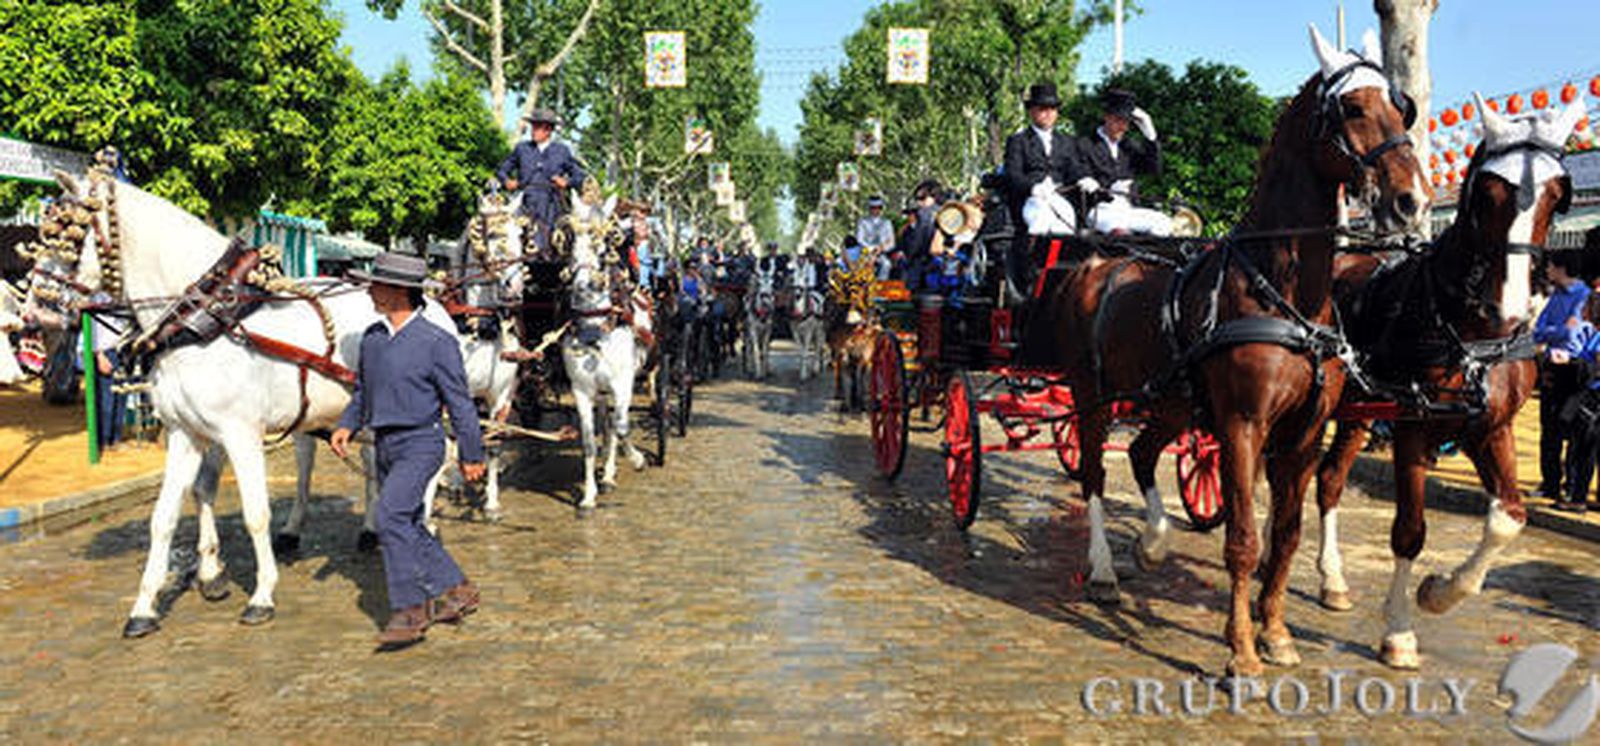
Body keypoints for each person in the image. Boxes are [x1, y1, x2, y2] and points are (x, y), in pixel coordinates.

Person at [330, 253, 487, 648]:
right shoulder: (373, 339)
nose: (368, 289)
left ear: (399, 290)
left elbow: (461, 403)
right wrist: (347, 424)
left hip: (422, 442)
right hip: (385, 444)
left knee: (388, 517)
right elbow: (364, 392)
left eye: (374, 283)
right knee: (409, 522)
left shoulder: (437, 342)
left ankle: (411, 608)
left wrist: (472, 454)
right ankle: (458, 589)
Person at [1534, 250, 1591, 501]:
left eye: (1550, 266)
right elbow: (1537, 331)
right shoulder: (1555, 295)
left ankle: (1572, 486)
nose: (1546, 271)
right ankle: (1550, 483)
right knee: (1549, 430)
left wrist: (1551, 332)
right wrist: (1556, 331)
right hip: (1551, 367)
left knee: (1574, 430)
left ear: (1561, 268)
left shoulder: (1584, 296)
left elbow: (1572, 334)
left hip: (1575, 368)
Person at [1077, 88, 1171, 236]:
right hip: (1100, 210)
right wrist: (1109, 189)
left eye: (1127, 122)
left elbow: (1154, 169)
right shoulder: (1085, 144)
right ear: (1107, 117)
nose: (1124, 127)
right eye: (1118, 120)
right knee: (1118, 228)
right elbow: (1081, 178)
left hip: (1128, 209)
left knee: (1164, 222)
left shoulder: (1129, 145)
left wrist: (1151, 136)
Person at [1003, 81, 1090, 236]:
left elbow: (1074, 168)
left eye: (1052, 109)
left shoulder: (1067, 141)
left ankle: (1060, 258)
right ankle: (1032, 258)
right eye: (1043, 109)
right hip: (1031, 199)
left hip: (1059, 196)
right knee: (1041, 219)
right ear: (1031, 111)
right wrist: (1032, 188)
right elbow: (1012, 174)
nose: (1048, 113)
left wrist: (1084, 178)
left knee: (1066, 221)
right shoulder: (1018, 141)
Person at [497, 108, 586, 252]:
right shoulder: (522, 148)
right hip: (524, 201)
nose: (533, 131)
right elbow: (502, 170)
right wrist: (507, 181)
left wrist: (567, 183)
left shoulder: (562, 151)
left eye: (538, 127)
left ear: (548, 130)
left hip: (552, 205)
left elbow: (580, 175)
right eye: (533, 126)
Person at [1551, 289, 1600, 514]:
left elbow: (1595, 370)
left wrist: (1570, 361)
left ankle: (1578, 498)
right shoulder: (1593, 333)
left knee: (1584, 451)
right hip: (1591, 397)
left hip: (1593, 399)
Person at [855, 195, 896, 260]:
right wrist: (870, 249)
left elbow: (892, 242)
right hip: (866, 253)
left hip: (882, 253)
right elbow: (859, 239)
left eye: (878, 208)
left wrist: (881, 248)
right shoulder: (863, 222)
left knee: (886, 265)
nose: (875, 210)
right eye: (873, 208)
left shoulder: (887, 223)